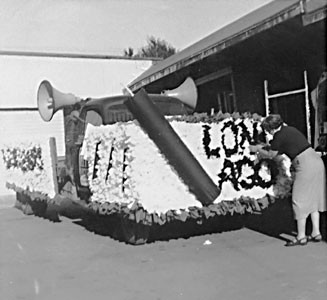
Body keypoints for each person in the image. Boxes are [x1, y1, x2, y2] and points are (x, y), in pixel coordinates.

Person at [249, 114, 326, 247]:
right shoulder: (290, 130)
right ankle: (316, 232)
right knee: (314, 197)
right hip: (316, 161)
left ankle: (301, 236)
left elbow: (271, 155)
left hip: (304, 165)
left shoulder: (279, 135)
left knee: (298, 199)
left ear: (271, 129)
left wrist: (257, 149)